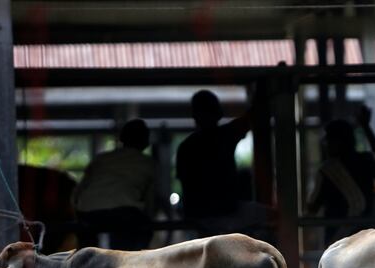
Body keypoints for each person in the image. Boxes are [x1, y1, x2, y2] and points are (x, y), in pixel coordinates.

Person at [73, 119, 157, 250]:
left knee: (87, 253)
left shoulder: (101, 159)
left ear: (122, 138)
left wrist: (79, 212)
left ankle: (85, 262)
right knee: (130, 248)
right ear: (146, 141)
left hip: (88, 212)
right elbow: (150, 202)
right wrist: (150, 221)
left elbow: (77, 193)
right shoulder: (148, 163)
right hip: (124, 213)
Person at [176, 89, 252, 234]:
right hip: (227, 212)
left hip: (198, 217)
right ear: (218, 113)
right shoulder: (226, 136)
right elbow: (251, 118)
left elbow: (185, 185)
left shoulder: (186, 147)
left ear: (194, 116)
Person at [306, 108, 375, 244]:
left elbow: (313, 207)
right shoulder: (365, 160)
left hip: (337, 239)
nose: (327, 146)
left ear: (338, 142)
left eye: (329, 142)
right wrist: (366, 127)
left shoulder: (326, 170)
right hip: (367, 238)